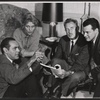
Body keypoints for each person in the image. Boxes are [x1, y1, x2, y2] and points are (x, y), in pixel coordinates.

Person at [44, 18, 90, 98]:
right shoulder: (63, 40)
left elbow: (80, 64)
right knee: (54, 61)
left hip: (81, 69)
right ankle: (50, 87)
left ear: (77, 28)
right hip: (67, 65)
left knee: (74, 77)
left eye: (72, 28)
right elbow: (57, 57)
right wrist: (52, 67)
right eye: (67, 29)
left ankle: (59, 91)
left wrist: (67, 73)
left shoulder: (84, 42)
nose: (69, 31)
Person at [83, 18, 100, 98]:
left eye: (87, 32)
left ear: (96, 30)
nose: (84, 35)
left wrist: (93, 72)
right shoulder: (92, 40)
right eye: (84, 32)